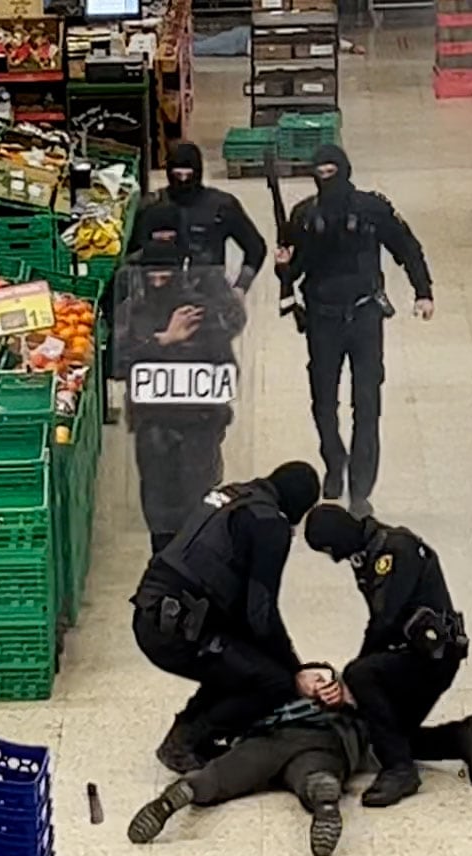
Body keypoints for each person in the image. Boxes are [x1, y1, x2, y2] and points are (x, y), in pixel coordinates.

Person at [132, 461, 326, 773]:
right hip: (177, 629)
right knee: (273, 681)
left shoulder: (232, 494)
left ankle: (190, 733)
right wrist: (294, 669)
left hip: (156, 611)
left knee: (243, 661)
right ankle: (185, 743)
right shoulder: (269, 522)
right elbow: (260, 613)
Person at [277, 144, 434, 516]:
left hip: (365, 317)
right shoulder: (303, 216)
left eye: (332, 170)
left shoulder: (372, 209)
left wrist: (423, 291)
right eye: (320, 171)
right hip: (321, 319)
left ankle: (361, 487)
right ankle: (334, 459)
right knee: (323, 401)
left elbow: (406, 247)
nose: (326, 177)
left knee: (367, 405)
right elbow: (293, 272)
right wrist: (283, 266)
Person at [303, 504, 472, 806]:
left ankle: (400, 771)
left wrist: (353, 675)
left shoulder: (395, 549)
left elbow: (385, 621)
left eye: (329, 550)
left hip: (432, 658)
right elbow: (380, 622)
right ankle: (465, 736)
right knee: (383, 733)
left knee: (361, 679)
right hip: (415, 656)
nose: (334, 557)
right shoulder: (370, 551)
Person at [127, 682, 366, 856]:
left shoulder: (262, 682)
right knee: (312, 771)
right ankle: (322, 794)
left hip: (271, 736)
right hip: (326, 738)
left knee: (225, 774)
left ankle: (178, 795)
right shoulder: (338, 690)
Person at [116, 237, 247, 553]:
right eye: (153, 275)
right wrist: (164, 340)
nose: (159, 282)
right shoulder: (135, 312)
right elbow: (119, 363)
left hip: (198, 428)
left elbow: (227, 369)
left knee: (199, 510)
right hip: (154, 429)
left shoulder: (201, 311)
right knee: (159, 512)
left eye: (166, 274)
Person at [129, 141, 268, 294]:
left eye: (188, 175)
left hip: (210, 296)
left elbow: (256, 248)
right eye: (177, 175)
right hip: (160, 299)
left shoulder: (222, 206)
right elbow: (131, 256)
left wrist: (240, 288)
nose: (183, 181)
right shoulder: (151, 208)